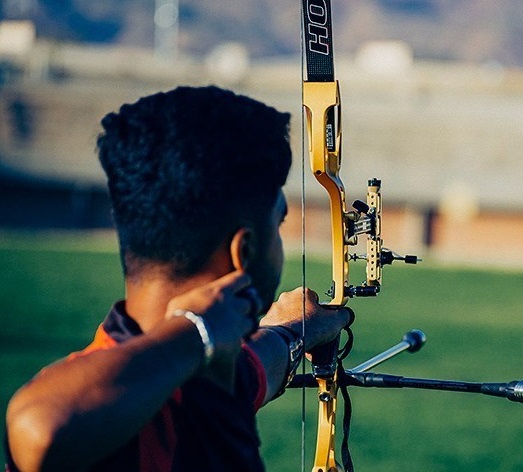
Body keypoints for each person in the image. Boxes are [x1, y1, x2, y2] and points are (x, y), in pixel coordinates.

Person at [4, 86, 351, 471]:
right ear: (245, 252)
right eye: (278, 223)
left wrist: (294, 330)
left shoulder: (208, 369)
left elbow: (256, 363)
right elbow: (39, 425)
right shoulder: (107, 414)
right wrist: (196, 329)